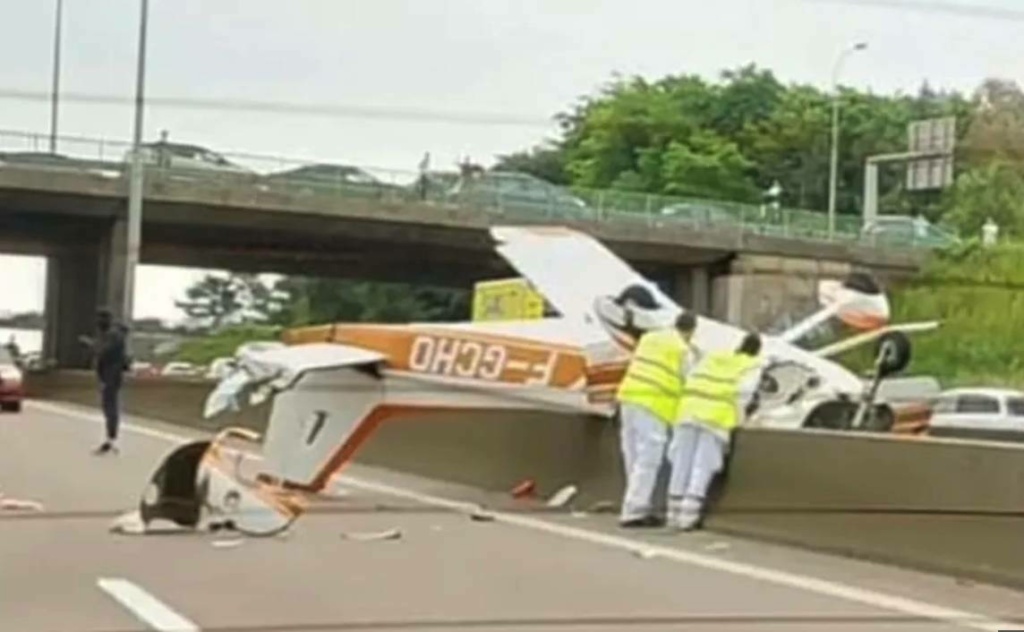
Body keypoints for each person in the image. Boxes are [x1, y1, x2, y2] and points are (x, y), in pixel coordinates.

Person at [666, 331, 763, 531]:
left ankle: (672, 512)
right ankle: (688, 516)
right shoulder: (752, 365)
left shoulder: (714, 357)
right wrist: (740, 420)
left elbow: (691, 376)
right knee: (703, 464)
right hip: (715, 416)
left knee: (681, 461)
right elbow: (742, 394)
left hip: (688, 410)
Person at [614, 311, 698, 528]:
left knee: (632, 455)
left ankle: (635, 504)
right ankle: (634, 511)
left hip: (628, 398)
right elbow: (689, 382)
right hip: (653, 405)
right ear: (690, 331)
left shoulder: (650, 338)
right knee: (649, 458)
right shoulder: (682, 350)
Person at [80, 309, 130, 455]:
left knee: (110, 407)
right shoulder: (112, 335)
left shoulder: (113, 336)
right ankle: (111, 438)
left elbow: (103, 352)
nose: (97, 324)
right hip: (109, 375)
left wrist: (90, 344)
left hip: (111, 376)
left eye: (100, 320)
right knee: (109, 407)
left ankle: (111, 440)